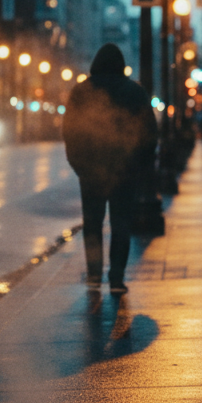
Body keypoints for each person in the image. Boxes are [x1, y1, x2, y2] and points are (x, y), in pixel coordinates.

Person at [63, 44, 157, 294]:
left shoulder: (81, 91)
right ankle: (116, 278)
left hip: (91, 173)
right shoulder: (135, 92)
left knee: (92, 224)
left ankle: (94, 275)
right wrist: (139, 165)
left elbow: (69, 132)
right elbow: (149, 133)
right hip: (125, 172)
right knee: (121, 224)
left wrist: (80, 166)